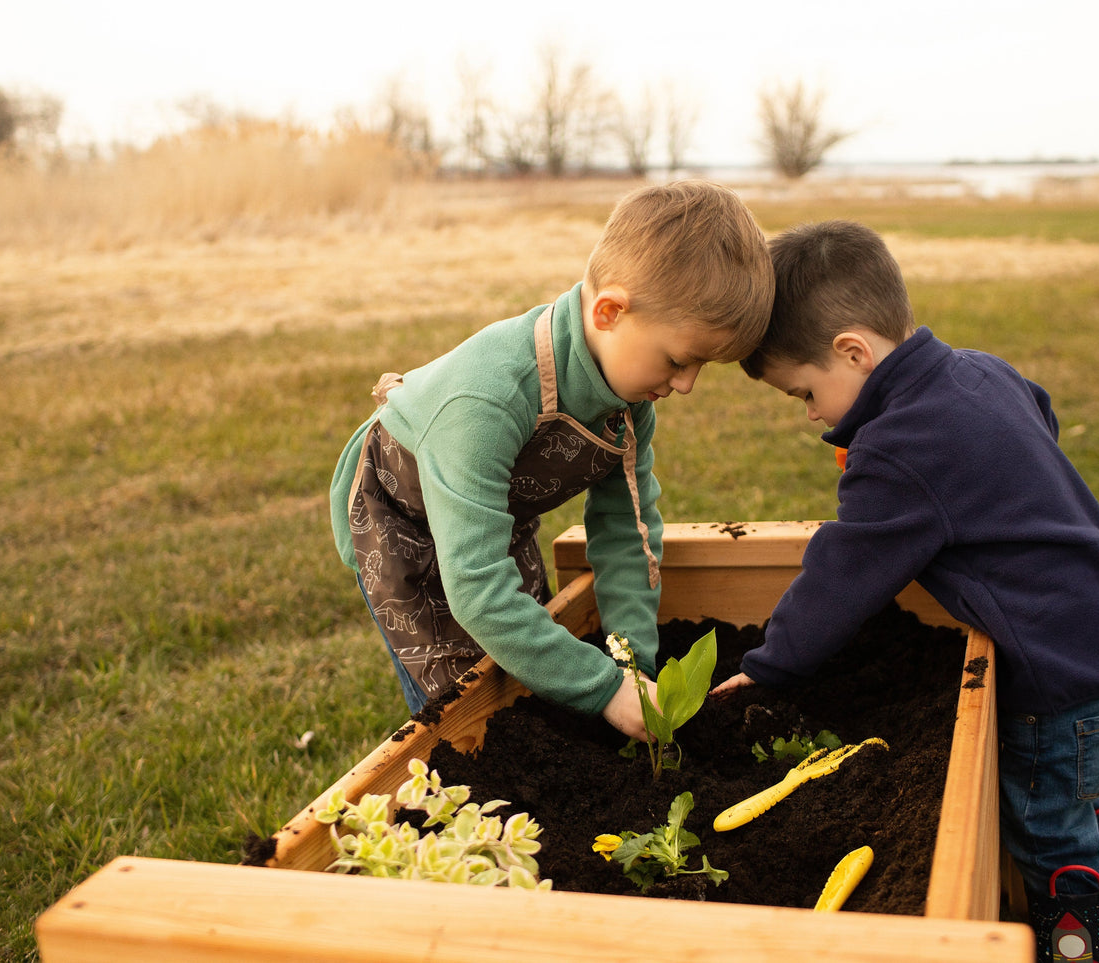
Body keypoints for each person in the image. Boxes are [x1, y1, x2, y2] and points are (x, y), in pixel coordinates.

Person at [711, 220, 1099, 963]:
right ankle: (1097, 845)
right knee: (1062, 802)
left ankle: (1085, 941)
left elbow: (845, 570)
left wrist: (771, 662)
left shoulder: (898, 447)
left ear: (853, 351)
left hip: (1059, 680)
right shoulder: (978, 370)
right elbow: (1038, 414)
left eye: (804, 393)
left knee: (1041, 826)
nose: (813, 416)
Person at [331, 180, 774, 743]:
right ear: (610, 311)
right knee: (462, 701)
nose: (686, 385)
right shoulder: (486, 401)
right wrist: (605, 691)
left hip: (495, 509)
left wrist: (630, 667)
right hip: (401, 522)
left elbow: (625, 533)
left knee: (530, 662)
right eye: (679, 361)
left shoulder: (627, 404)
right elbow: (476, 589)